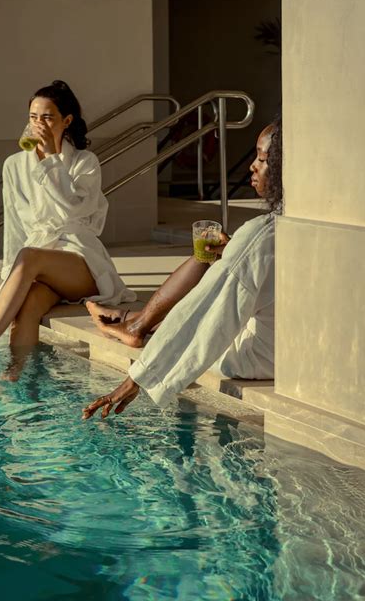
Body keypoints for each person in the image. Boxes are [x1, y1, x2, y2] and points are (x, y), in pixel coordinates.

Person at [82, 115, 282, 419]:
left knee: (203, 307)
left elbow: (204, 317)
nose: (253, 165)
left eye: (263, 159)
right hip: (297, 352)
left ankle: (133, 324)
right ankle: (133, 322)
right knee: (217, 271)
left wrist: (137, 378)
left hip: (262, 360)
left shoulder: (260, 234)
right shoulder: (299, 225)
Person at [0, 80, 135, 364]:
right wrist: (12, 280)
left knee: (29, 256)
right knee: (27, 306)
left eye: (47, 117)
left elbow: (75, 212)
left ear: (66, 121)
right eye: (33, 117)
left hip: (79, 261)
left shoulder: (85, 162)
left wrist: (50, 158)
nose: (39, 124)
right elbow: (14, 224)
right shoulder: (14, 165)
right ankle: (17, 380)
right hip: (38, 260)